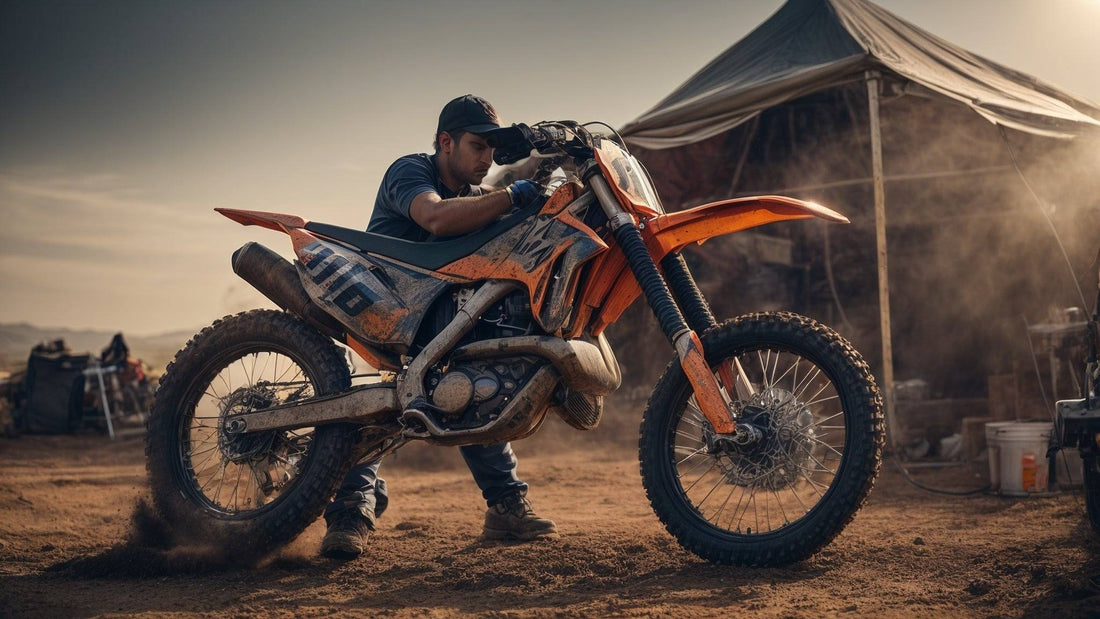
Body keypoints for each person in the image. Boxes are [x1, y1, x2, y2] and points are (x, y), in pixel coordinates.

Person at [321, 95, 556, 559]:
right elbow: (434, 217)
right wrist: (510, 196)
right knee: (372, 403)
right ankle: (351, 510)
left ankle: (506, 505)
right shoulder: (410, 172)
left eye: (492, 148)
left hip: (434, 319)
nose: (487, 158)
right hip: (382, 307)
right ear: (445, 142)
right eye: (477, 146)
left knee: (478, 381)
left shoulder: (473, 199)